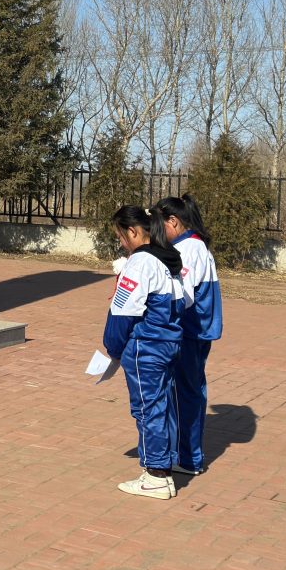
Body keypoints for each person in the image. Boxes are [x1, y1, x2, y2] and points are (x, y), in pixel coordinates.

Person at [101, 205, 188, 500]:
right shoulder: (170, 261)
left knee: (147, 410)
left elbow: (122, 312)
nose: (122, 244)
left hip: (145, 346)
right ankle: (164, 466)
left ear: (134, 231)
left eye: (121, 237)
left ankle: (155, 475)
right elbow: (183, 305)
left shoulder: (139, 263)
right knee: (161, 406)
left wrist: (112, 348)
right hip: (168, 344)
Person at [156, 194, 222, 478]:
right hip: (196, 331)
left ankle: (187, 457)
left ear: (174, 221)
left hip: (189, 331)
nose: (157, 232)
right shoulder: (193, 246)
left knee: (186, 393)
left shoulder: (188, 250)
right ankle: (188, 455)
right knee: (191, 390)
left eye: (160, 225)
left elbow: (182, 294)